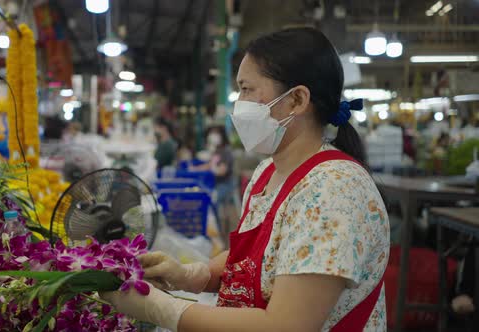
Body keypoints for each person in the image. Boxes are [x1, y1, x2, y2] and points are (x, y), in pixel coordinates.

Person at [101, 27, 390, 332]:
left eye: (247, 90)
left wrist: (162, 308)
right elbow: (259, 259)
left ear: (296, 100)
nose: (238, 104)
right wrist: (194, 275)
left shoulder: (334, 190)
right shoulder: (267, 173)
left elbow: (287, 326)